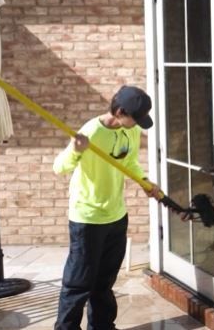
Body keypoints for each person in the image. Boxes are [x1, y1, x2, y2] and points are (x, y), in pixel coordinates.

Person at [52, 85, 166, 330]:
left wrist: (144, 181)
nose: (137, 125)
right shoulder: (91, 132)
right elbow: (59, 167)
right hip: (88, 218)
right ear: (121, 112)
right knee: (78, 283)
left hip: (116, 215)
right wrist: (75, 150)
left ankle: (102, 326)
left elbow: (130, 162)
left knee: (104, 282)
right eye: (136, 119)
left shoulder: (130, 131)